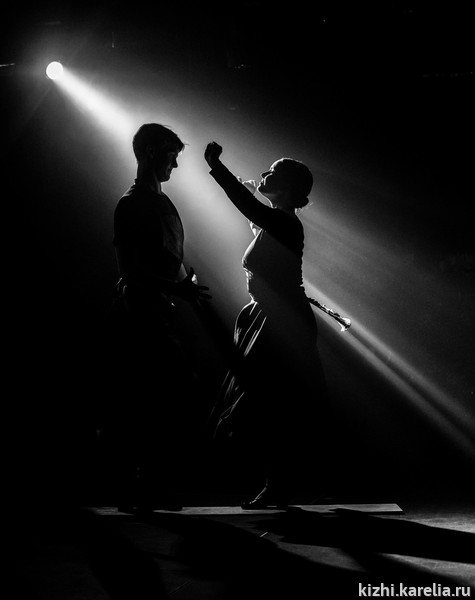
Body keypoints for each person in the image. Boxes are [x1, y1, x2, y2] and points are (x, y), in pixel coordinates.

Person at [204, 141, 327, 509]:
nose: (263, 175)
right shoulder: (274, 223)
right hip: (268, 317)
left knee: (270, 404)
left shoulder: (286, 223)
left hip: (282, 321)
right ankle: (278, 482)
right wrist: (252, 202)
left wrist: (216, 166)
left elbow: (249, 206)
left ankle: (280, 483)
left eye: (271, 172)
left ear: (286, 186)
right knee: (267, 405)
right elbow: (256, 218)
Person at [107, 123, 211, 513]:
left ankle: (145, 484)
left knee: (157, 398)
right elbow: (129, 270)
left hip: (158, 310)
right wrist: (178, 289)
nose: (175, 165)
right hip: (139, 314)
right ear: (151, 152)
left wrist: (183, 288)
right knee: (154, 397)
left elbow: (169, 259)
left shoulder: (160, 202)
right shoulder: (131, 204)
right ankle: (140, 484)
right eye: (171, 156)